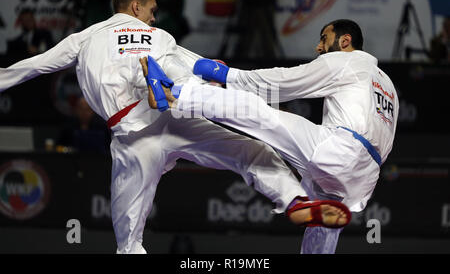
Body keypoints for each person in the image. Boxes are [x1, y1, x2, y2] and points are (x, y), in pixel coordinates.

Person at [0, 0, 350, 254]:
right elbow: (203, 65)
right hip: (174, 120)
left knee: (128, 243)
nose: (154, 17)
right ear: (136, 7)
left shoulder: (86, 37)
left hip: (132, 137)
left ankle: (165, 87)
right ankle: (295, 200)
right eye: (151, 10)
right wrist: (223, 77)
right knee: (251, 151)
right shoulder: (159, 35)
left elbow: (35, 65)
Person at [143, 19, 399, 254]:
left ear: (344, 41)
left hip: (341, 150)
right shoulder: (387, 86)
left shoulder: (349, 61)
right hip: (364, 180)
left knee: (258, 114)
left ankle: (173, 94)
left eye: (324, 38)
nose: (318, 46)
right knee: (322, 228)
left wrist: (229, 76)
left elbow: (284, 83)